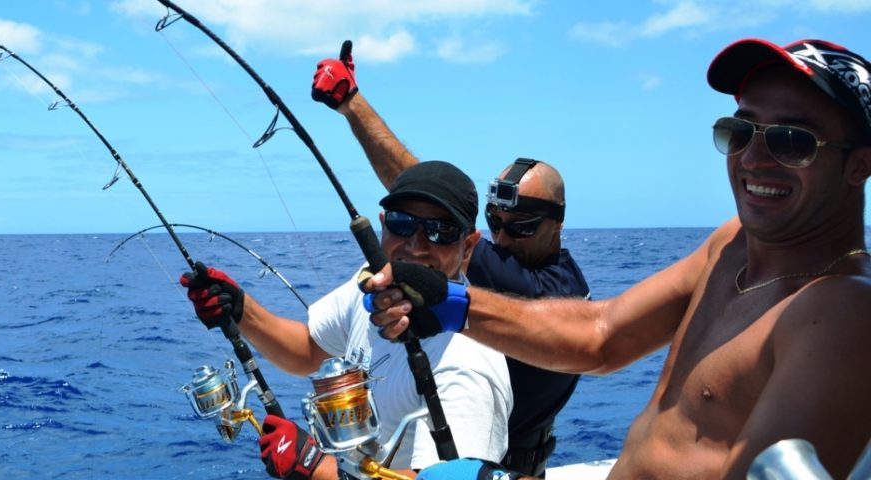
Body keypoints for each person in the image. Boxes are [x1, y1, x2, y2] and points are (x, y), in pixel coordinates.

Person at [364, 38, 871, 480]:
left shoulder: (842, 317)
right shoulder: (734, 243)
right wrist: (452, 304)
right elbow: (602, 335)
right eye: (741, 132)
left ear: (860, 164)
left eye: (792, 141)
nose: (755, 159)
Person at [311, 42, 590, 477]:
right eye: (495, 221)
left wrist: (353, 106)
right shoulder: (535, 266)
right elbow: (429, 202)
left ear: (558, 225)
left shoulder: (540, 287)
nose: (501, 237)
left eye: (519, 227)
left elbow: (424, 196)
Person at [181, 161, 512, 479]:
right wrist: (243, 311)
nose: (415, 245)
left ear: (468, 246)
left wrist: (316, 468)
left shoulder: (468, 360)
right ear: (383, 223)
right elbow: (309, 350)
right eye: (402, 223)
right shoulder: (376, 286)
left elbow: (442, 478)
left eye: (441, 231)